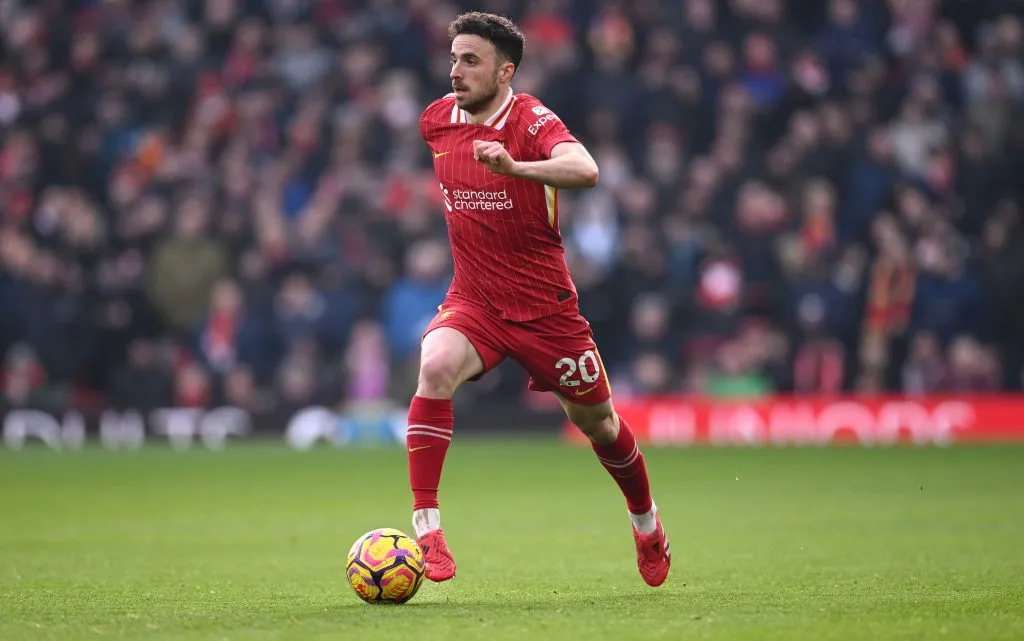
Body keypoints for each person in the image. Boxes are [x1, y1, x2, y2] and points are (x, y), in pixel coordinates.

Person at [409, 11, 671, 587]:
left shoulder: (529, 120)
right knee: (435, 366)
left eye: (470, 61)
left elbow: (586, 169)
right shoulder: (435, 122)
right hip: (475, 298)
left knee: (598, 424)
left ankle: (646, 522)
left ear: (506, 71)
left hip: (545, 308)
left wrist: (517, 167)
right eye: (453, 58)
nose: (456, 71)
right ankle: (426, 523)